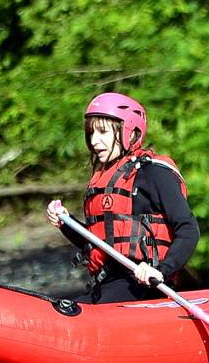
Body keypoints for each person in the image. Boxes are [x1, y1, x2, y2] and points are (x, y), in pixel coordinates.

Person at [46, 92, 200, 303]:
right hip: (107, 283)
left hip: (143, 286)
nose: (94, 141)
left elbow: (189, 229)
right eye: (91, 133)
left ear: (129, 132)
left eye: (102, 132)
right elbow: (101, 243)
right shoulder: (104, 179)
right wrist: (66, 222)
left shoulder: (154, 173)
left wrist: (161, 271)